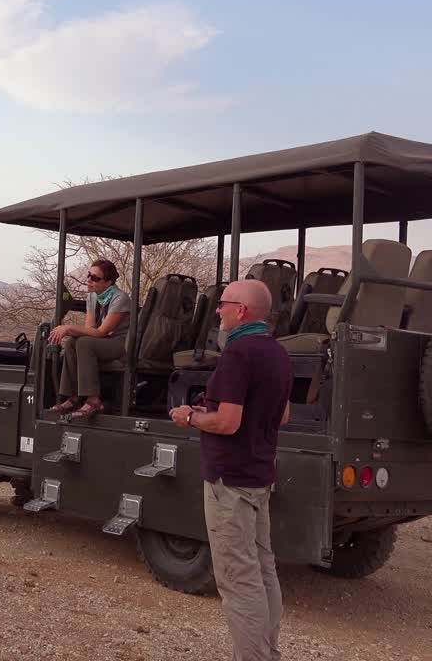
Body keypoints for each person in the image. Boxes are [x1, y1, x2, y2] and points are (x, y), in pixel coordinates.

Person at [168, 279, 292, 661]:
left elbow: (227, 422)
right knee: (263, 570)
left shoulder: (238, 353)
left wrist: (190, 417)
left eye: (223, 304)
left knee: (238, 580)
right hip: (258, 476)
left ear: (241, 310)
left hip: (230, 481)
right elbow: (282, 416)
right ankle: (267, 653)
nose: (218, 310)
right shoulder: (278, 353)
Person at [46, 259, 134, 419]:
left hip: (120, 344)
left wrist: (68, 328)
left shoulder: (120, 298)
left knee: (84, 343)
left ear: (108, 282)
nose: (89, 280)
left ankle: (93, 400)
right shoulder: (92, 297)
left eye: (95, 278)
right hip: (103, 342)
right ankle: (73, 397)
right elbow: (89, 329)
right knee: (72, 342)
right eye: (88, 275)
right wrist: (72, 333)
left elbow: (101, 332)